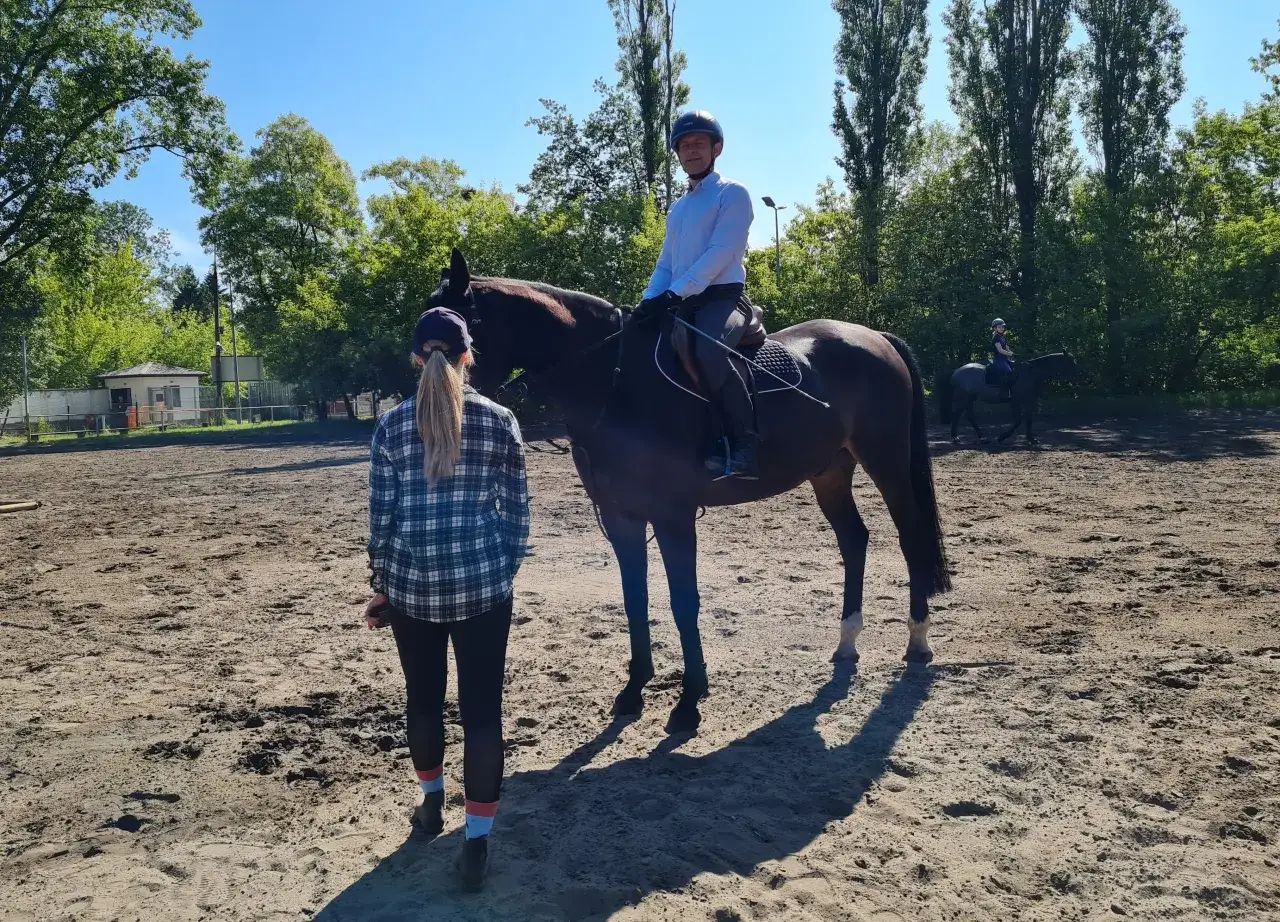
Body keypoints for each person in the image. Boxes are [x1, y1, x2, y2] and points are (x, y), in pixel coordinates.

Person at [364, 306, 530, 892]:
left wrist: (381, 585)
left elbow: (382, 521)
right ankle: (477, 844)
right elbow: (518, 516)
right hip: (484, 587)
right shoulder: (500, 420)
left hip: (412, 589)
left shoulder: (389, 427)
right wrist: (502, 568)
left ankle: (430, 805)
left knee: (423, 699)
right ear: (468, 356)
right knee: (483, 713)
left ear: (416, 358)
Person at [636, 109, 762, 479]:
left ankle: (744, 445)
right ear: (677, 153)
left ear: (715, 149)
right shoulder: (679, 207)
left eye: (699, 144)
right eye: (684, 145)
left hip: (723, 298)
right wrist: (649, 300)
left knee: (706, 350)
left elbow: (721, 252)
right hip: (682, 299)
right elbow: (666, 262)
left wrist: (675, 294)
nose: (691, 151)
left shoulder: (732, 194)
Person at [990, 318, 1016, 393]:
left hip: (1004, 359)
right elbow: (1000, 350)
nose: (1002, 328)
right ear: (995, 328)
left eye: (1002, 327)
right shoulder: (996, 338)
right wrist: (1009, 354)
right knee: (1009, 372)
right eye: (999, 327)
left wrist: (1013, 354)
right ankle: (1004, 391)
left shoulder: (1002, 337)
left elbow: (1007, 348)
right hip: (998, 360)